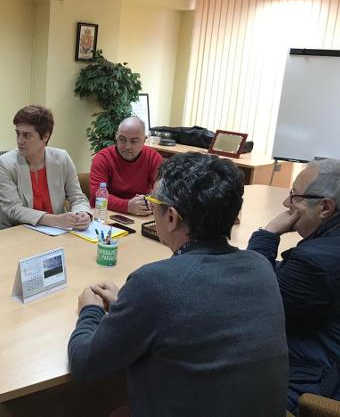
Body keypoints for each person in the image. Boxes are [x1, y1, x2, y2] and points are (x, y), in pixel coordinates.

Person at [69, 152, 288, 417]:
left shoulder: (154, 283)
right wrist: (130, 306)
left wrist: (90, 311)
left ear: (171, 217)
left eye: (153, 203)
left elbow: (84, 363)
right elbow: (198, 316)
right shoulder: (260, 267)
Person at [247, 159, 340, 412]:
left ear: (325, 207)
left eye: (294, 196)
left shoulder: (317, 261)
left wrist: (267, 235)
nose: (285, 204)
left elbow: (255, 300)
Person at [0, 105, 92, 231]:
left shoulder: (62, 158)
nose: (20, 140)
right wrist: (55, 220)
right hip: (14, 230)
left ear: (45, 137)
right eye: (18, 134)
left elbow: (77, 196)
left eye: (27, 135)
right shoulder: (4, 164)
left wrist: (82, 214)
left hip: (55, 231)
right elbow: (14, 209)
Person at [89, 116, 162, 216]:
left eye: (133, 141)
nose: (127, 147)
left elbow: (163, 191)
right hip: (106, 215)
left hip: (140, 215)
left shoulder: (153, 157)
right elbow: (96, 194)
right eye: (122, 140)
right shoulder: (103, 158)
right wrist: (127, 206)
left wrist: (149, 200)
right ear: (116, 137)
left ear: (144, 140)